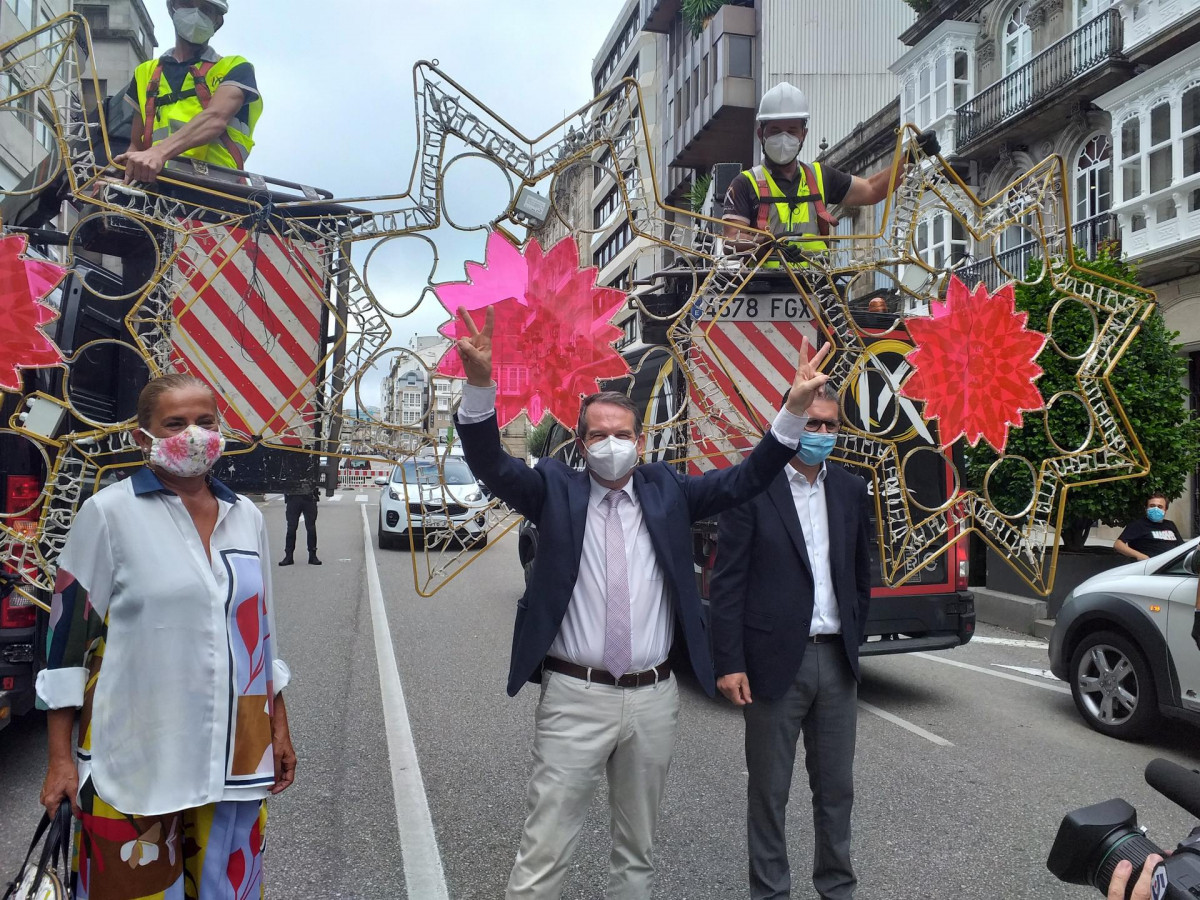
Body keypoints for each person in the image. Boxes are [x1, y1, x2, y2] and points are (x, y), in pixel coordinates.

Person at [450, 305, 830, 900]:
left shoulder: (667, 491)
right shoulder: (554, 490)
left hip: (654, 700)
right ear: (580, 443)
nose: (611, 445)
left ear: (640, 441)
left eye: (621, 435)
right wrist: (479, 386)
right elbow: (491, 464)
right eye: (598, 435)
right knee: (545, 852)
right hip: (575, 697)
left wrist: (794, 411)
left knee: (637, 856)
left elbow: (747, 478)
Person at [37, 372, 296, 898]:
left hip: (235, 753)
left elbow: (261, 635)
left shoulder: (245, 517)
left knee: (228, 889)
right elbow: (65, 645)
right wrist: (60, 760)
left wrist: (279, 729)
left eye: (205, 421)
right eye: (175, 423)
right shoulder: (108, 514)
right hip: (136, 753)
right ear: (142, 437)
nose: (194, 435)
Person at [709, 383, 872, 900]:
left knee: (836, 792)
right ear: (790, 419)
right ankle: (771, 893)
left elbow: (859, 575)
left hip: (836, 662)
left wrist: (854, 637)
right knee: (769, 792)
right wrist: (729, 661)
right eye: (812, 422)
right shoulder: (752, 487)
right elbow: (727, 582)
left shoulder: (848, 487)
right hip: (773, 663)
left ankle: (837, 889)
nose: (820, 433)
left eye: (830, 425)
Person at [722, 81, 940, 265]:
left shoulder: (820, 176)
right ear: (762, 133)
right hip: (763, 293)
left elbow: (872, 189)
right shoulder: (745, 183)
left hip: (818, 290)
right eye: (776, 131)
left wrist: (910, 159)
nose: (784, 138)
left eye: (792, 131)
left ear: (803, 135)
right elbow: (730, 242)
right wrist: (770, 244)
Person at [114, 0, 261, 183]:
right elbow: (136, 144)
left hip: (217, 191)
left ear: (218, 21)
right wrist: (121, 180)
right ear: (171, 8)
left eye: (206, 10)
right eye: (187, 3)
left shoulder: (235, 67)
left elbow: (215, 118)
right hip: (159, 189)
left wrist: (159, 152)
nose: (196, 14)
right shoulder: (145, 73)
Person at [1113, 493, 1184, 561]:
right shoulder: (1138, 525)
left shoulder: (1170, 524)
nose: (1156, 509)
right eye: (1152, 506)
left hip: (1170, 566)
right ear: (1146, 508)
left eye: (1160, 507)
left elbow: (1181, 546)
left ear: (1165, 510)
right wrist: (1140, 556)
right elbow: (1118, 545)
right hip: (1149, 567)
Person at [280, 486, 321, 566]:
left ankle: (312, 555)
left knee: (311, 528)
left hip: (309, 496)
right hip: (293, 496)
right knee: (291, 528)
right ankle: (289, 556)